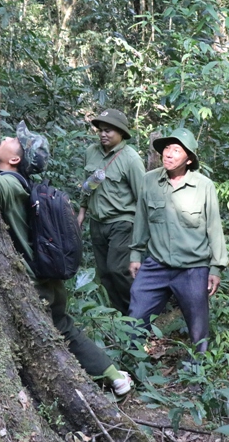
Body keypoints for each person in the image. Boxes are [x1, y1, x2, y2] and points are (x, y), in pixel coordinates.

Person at [0, 121, 133, 396]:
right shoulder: (24, 185)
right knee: (64, 327)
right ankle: (114, 375)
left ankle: (107, 378)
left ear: (15, 159)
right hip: (48, 275)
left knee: (55, 330)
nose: (6, 137)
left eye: (14, 140)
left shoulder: (12, 184)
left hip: (36, 281)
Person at [128, 128, 228, 353]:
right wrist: (135, 254)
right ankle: (129, 363)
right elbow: (141, 219)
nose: (168, 154)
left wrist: (216, 267)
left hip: (193, 268)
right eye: (166, 148)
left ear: (189, 158)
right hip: (156, 265)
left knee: (198, 327)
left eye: (176, 150)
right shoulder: (149, 181)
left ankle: (198, 371)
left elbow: (214, 227)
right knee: (135, 317)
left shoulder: (204, 186)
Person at [77, 110, 145, 315]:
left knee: (118, 270)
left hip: (122, 222)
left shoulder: (131, 159)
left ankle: (137, 315)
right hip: (97, 221)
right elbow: (87, 185)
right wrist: (81, 212)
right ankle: (119, 316)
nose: (102, 134)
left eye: (108, 131)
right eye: (100, 131)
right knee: (105, 273)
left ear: (121, 132)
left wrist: (143, 230)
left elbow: (143, 196)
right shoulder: (91, 151)